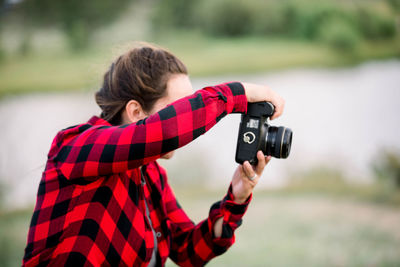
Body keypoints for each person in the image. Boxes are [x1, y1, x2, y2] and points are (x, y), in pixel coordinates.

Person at [22, 43, 285, 267]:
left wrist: (236, 198)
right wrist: (238, 94)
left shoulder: (151, 174)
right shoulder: (76, 146)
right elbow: (165, 131)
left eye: (187, 106)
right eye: (178, 108)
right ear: (136, 112)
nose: (187, 120)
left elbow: (188, 250)